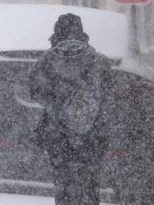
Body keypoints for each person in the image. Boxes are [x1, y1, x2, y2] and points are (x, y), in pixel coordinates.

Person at [28, 13, 113, 205]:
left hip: (58, 132)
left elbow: (35, 91)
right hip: (93, 132)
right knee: (91, 180)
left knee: (63, 179)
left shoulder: (46, 61)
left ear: (57, 32)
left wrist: (57, 103)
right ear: (81, 32)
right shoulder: (99, 61)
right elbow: (108, 91)